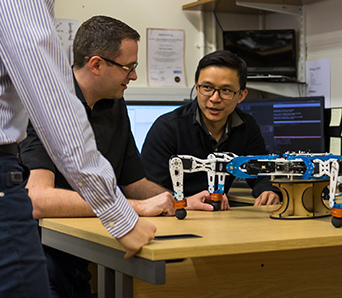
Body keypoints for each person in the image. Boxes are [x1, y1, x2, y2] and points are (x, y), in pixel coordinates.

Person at [0, 1, 155, 297]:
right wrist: (122, 214)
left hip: (80, 262)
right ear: (96, 64)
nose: (133, 76)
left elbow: (134, 183)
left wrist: (176, 201)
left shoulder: (115, 106)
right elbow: (50, 101)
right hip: (51, 255)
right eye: (129, 68)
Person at [142, 50, 281, 209]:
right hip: (174, 218)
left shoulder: (246, 126)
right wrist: (185, 202)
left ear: (241, 95)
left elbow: (259, 172)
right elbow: (148, 190)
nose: (215, 98)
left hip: (219, 219)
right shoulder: (167, 128)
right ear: (196, 87)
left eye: (226, 90)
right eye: (207, 88)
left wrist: (269, 191)